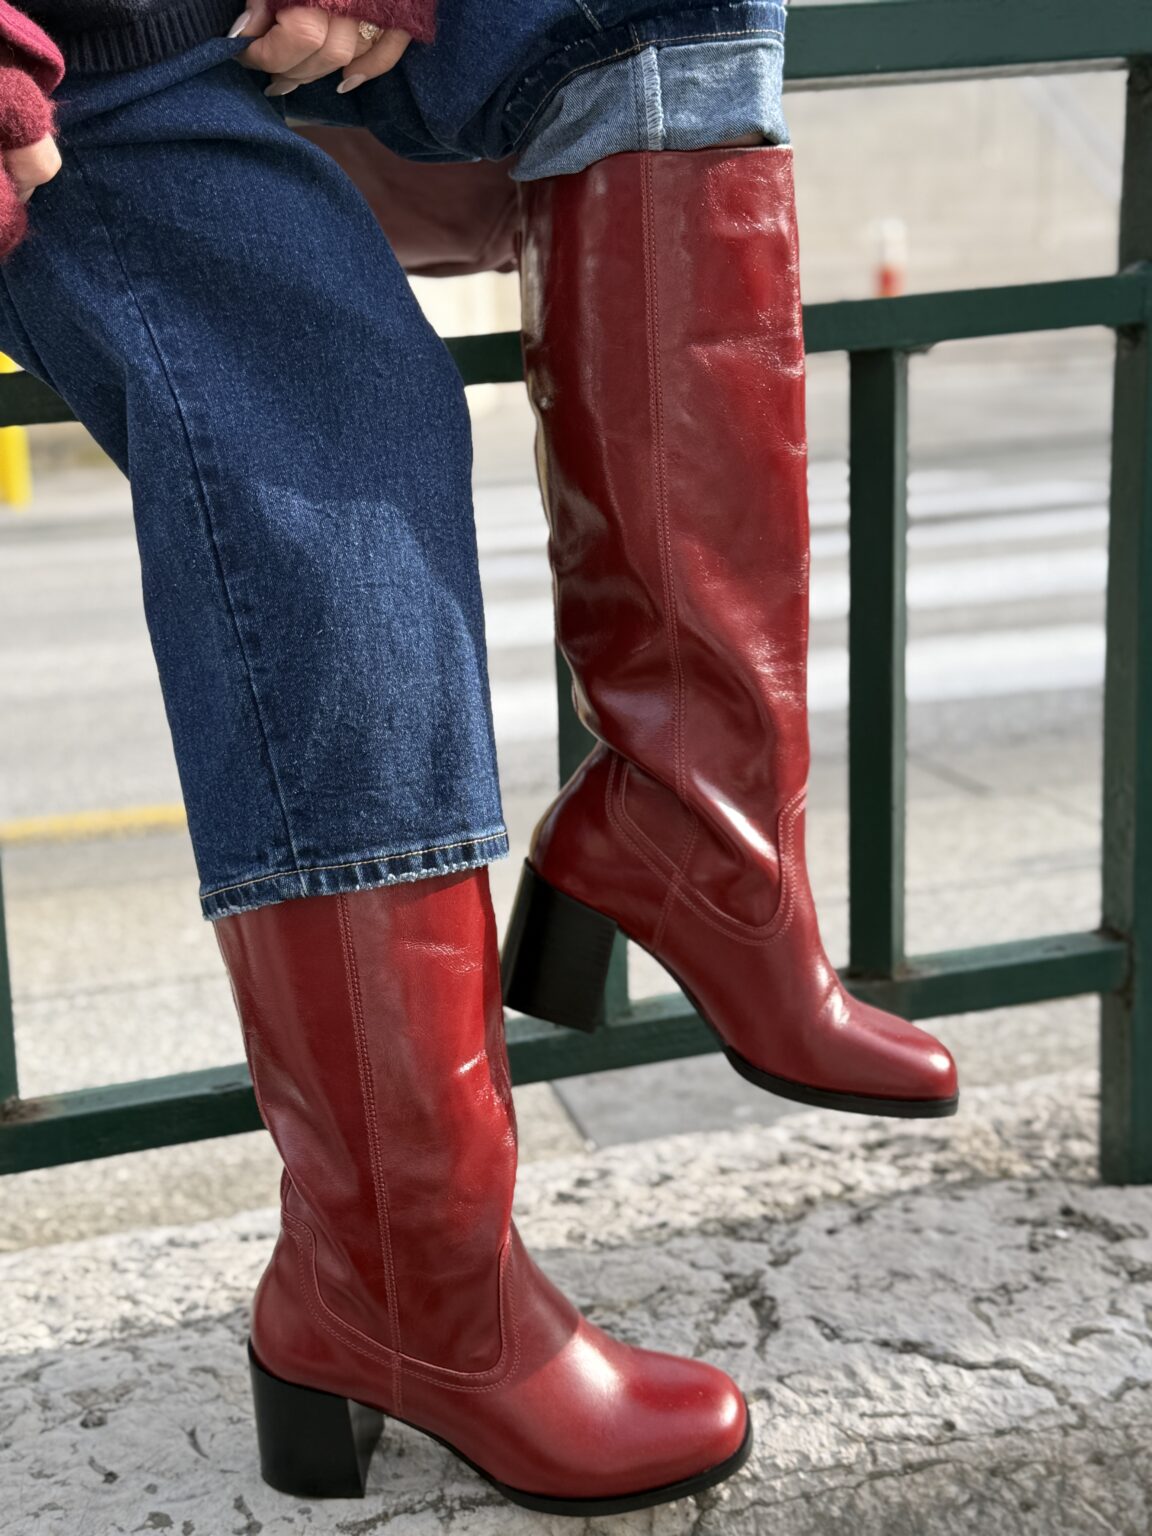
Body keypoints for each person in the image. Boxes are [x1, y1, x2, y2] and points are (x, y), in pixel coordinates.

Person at [0, 0, 959, 1515]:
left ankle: (705, 834)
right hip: (72, 73)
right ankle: (404, 1283)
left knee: (671, 3)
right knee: (329, 397)